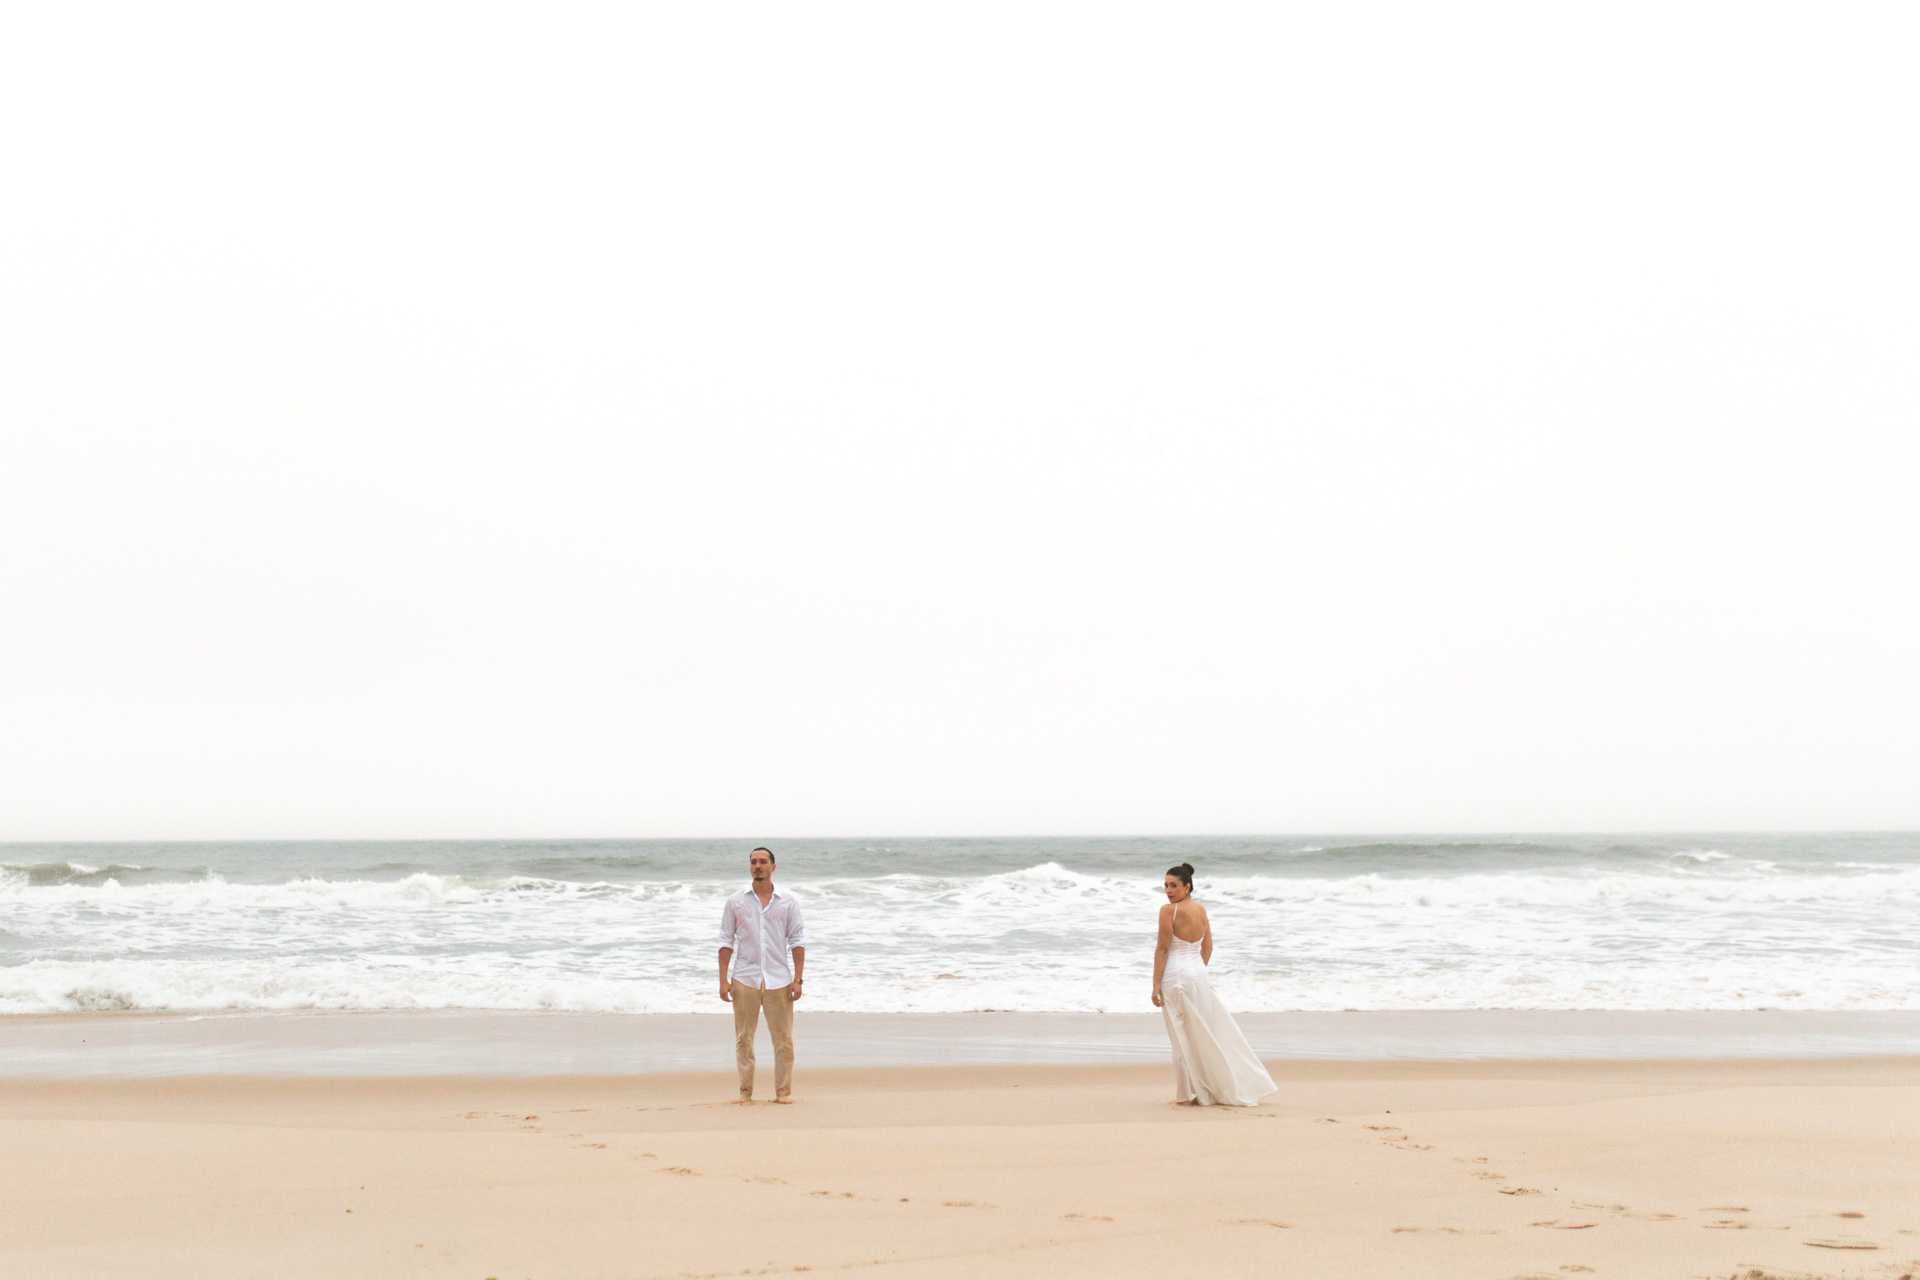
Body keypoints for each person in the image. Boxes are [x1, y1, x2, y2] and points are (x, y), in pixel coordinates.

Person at [1151, 862, 1276, 1107]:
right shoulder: (1200, 909)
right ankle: (1207, 1089)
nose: (1168, 891)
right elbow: (1207, 947)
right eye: (1165, 886)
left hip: (1176, 975)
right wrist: (1197, 970)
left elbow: (1163, 948)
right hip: (1198, 974)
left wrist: (1155, 985)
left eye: (1174, 886)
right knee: (1203, 1033)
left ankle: (1187, 1095)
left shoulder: (1168, 911)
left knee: (1182, 1036)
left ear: (1187, 887)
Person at [718, 846, 807, 1103]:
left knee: (783, 1040)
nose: (758, 866)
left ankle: (783, 1092)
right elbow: (725, 940)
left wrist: (798, 979)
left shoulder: (788, 902)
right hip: (744, 978)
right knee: (743, 1039)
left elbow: (797, 940)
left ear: (773, 867)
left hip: (779, 980)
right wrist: (723, 980)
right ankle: (745, 1093)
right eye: (753, 862)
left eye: (763, 862)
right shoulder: (735, 902)